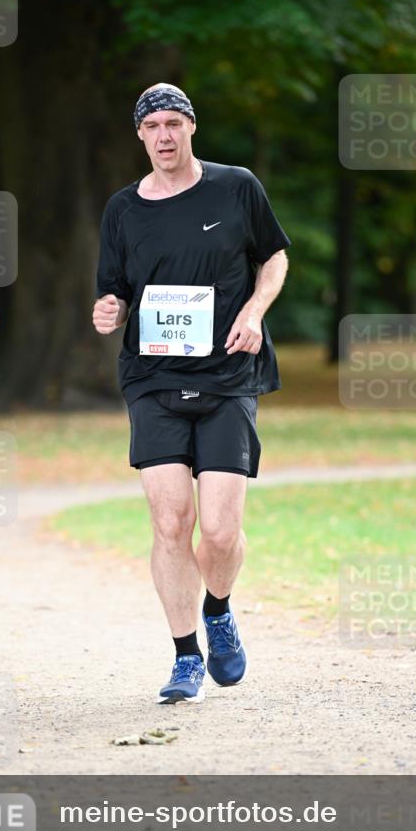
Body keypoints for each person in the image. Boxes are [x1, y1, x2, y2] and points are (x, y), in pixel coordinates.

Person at [92, 83, 289, 704]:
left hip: (229, 373)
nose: (166, 135)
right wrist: (108, 308)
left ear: (192, 128)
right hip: (153, 377)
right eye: (154, 127)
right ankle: (184, 657)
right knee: (170, 519)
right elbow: (117, 290)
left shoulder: (236, 187)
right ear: (141, 136)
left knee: (221, 533)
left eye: (175, 123)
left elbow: (275, 255)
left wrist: (255, 310)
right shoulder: (124, 209)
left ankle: (220, 609)